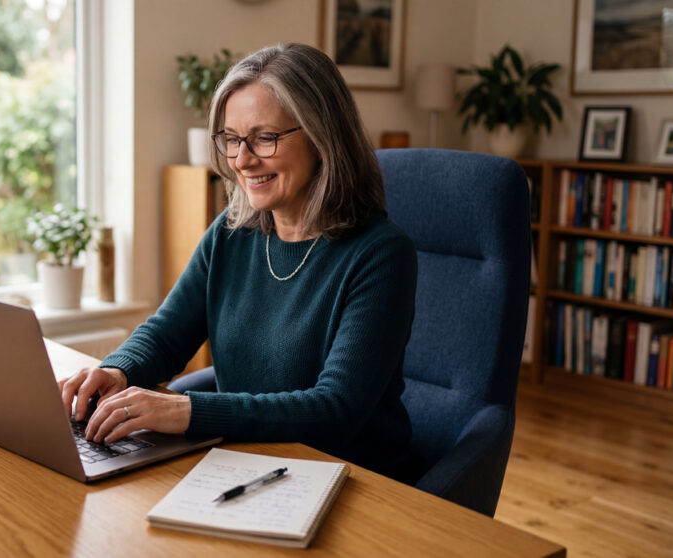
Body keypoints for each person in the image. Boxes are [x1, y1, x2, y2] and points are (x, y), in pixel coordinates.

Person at [59, 43, 418, 477]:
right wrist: (118, 370)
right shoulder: (233, 231)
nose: (242, 160)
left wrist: (186, 411)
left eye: (265, 138)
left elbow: (334, 411)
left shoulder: (380, 255)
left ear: (323, 136)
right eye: (231, 139)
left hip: (354, 477)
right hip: (247, 462)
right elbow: (167, 334)